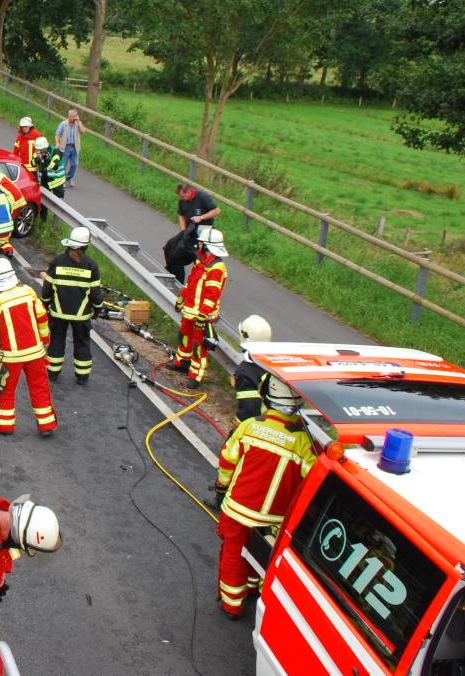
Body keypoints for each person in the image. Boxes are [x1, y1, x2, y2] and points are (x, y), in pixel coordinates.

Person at [210, 377, 315, 620]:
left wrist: (221, 488)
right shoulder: (303, 442)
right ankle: (252, 589)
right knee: (260, 556)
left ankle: (232, 605)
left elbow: (227, 461)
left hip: (237, 510)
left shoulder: (249, 426)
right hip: (274, 521)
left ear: (266, 395)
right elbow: (311, 483)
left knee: (233, 553)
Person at [0, 257, 56, 436]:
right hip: (35, 353)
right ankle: (46, 425)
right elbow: (42, 318)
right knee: (39, 387)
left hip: (10, 357)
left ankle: (5, 425)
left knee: (6, 390)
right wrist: (45, 339)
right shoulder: (28, 292)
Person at [42, 226, 103, 384]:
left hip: (58, 313)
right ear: (86, 246)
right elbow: (96, 293)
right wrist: (97, 309)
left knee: (57, 341)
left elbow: (47, 289)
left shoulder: (57, 261)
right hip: (81, 315)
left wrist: (45, 305)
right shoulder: (91, 265)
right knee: (82, 342)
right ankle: (82, 376)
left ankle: (53, 373)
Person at [169, 228, 228, 387]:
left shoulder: (216, 268)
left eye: (201, 243)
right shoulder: (200, 262)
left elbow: (212, 296)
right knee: (184, 337)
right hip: (190, 310)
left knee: (198, 346)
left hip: (202, 315)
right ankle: (182, 363)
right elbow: (191, 283)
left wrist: (203, 315)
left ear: (207, 246)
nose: (199, 245)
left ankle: (196, 376)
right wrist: (181, 299)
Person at [163, 183, 222, 283]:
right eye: (180, 197)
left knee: (200, 259)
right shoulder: (182, 201)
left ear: (189, 192)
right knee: (172, 250)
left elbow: (216, 211)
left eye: (183, 196)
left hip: (204, 232)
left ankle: (199, 282)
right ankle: (178, 282)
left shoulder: (202, 197)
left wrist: (201, 217)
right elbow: (181, 215)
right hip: (189, 233)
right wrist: (183, 230)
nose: (182, 199)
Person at [233, 315, 271, 424]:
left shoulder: (245, 371)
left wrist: (237, 430)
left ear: (244, 336)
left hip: (260, 424)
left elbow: (249, 410)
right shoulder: (273, 361)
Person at [34, 137, 66, 223]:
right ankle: (42, 222)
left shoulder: (55, 152)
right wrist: (38, 158)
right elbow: (32, 163)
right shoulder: (38, 153)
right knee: (43, 203)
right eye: (37, 150)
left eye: (39, 150)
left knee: (58, 205)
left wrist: (45, 159)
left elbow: (53, 166)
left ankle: (55, 226)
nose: (37, 151)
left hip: (57, 182)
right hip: (45, 181)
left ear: (45, 148)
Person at [53, 109, 86, 188]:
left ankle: (69, 178)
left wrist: (79, 122)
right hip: (65, 147)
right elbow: (57, 134)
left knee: (75, 164)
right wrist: (57, 143)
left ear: (76, 116)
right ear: (68, 116)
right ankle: (62, 180)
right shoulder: (63, 124)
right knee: (63, 165)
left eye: (74, 116)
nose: (72, 118)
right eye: (71, 116)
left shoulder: (78, 123)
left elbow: (83, 131)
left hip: (74, 147)